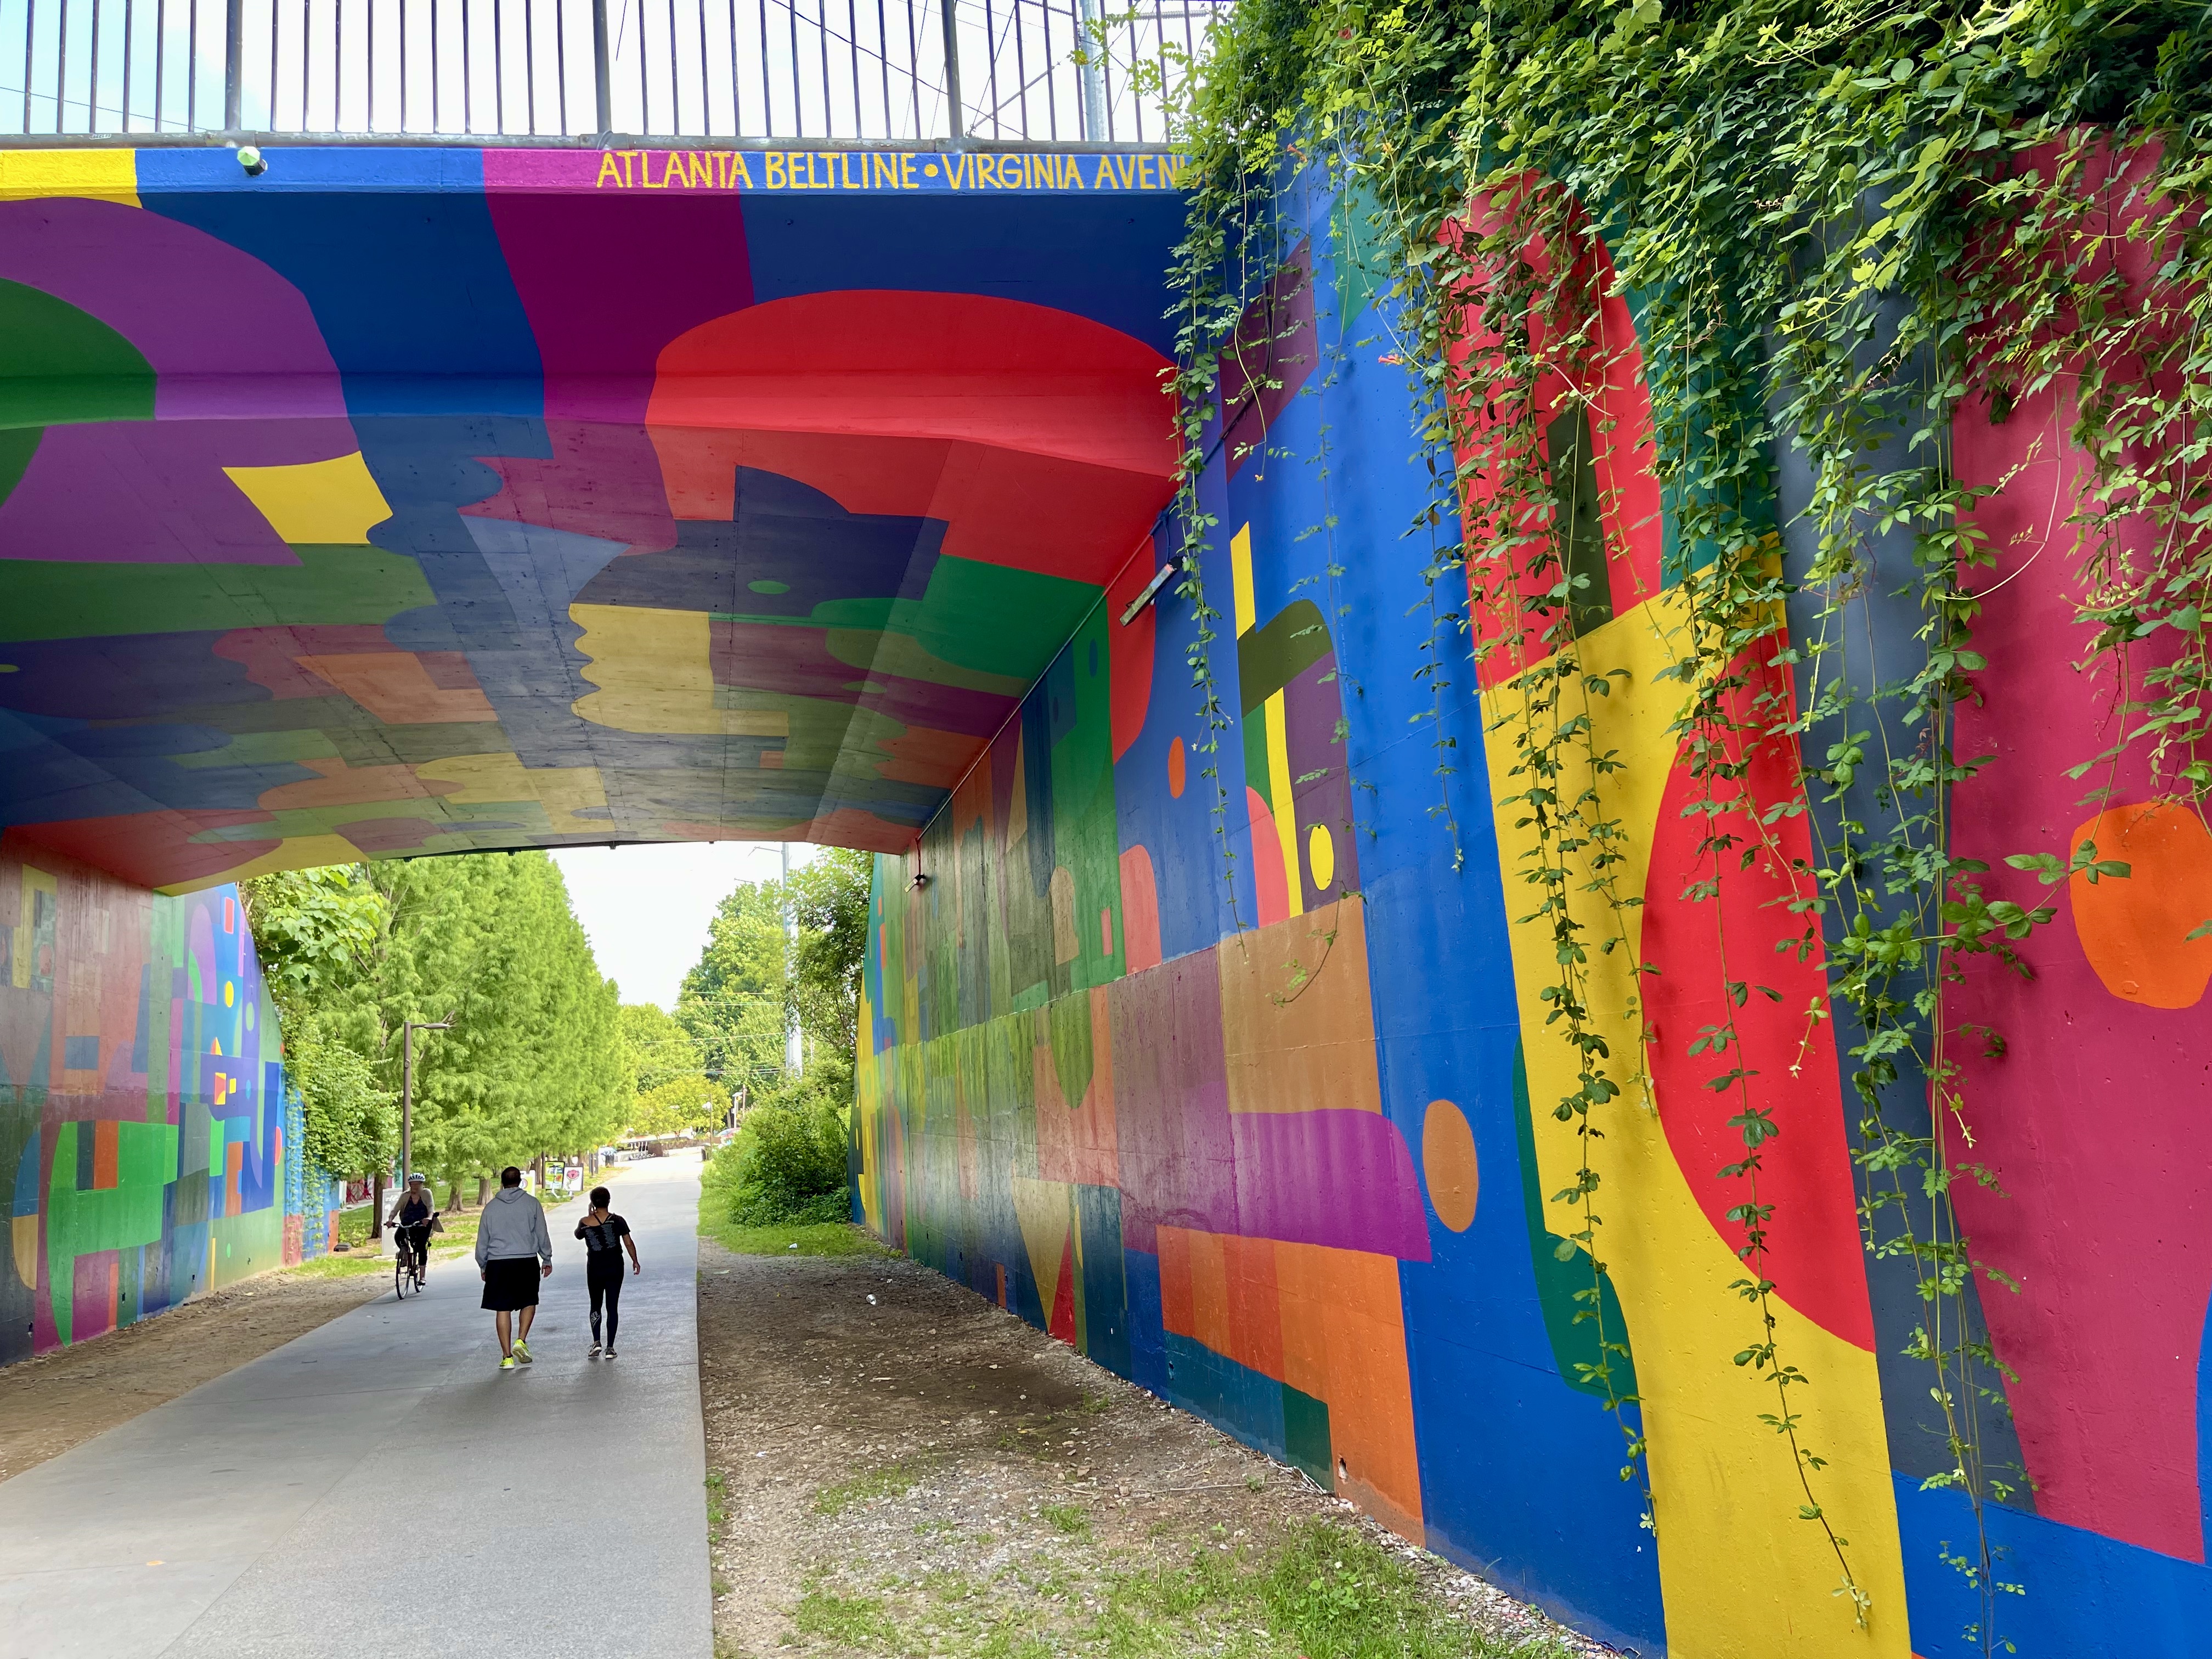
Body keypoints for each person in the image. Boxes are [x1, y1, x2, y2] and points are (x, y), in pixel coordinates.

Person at [476, 1165, 552, 1370]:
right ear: (520, 1182)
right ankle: (521, 1340)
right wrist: (547, 1258)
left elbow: (483, 1239)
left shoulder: (490, 1208)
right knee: (529, 1300)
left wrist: (483, 1264)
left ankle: (507, 1357)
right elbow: (541, 1232)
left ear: (502, 1182)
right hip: (526, 1260)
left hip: (498, 1263)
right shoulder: (532, 1204)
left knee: (503, 1308)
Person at [576, 1186, 641, 1358]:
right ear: (609, 1201)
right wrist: (635, 1260)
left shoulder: (584, 1222)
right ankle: (610, 1348)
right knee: (612, 1306)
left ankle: (596, 1342)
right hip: (615, 1267)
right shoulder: (618, 1221)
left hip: (595, 1269)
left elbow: (578, 1235)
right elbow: (628, 1242)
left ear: (592, 1202)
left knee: (595, 1305)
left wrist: (590, 1215)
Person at [385, 1173, 437, 1282]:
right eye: (413, 1184)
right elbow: (396, 1209)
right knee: (398, 1237)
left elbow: (431, 1207)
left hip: (423, 1224)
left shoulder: (427, 1193)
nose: (415, 1187)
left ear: (422, 1184)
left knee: (421, 1246)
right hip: (408, 1223)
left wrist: (429, 1218)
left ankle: (422, 1276)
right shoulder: (405, 1195)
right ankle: (405, 1253)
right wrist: (390, 1220)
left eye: (417, 1184)